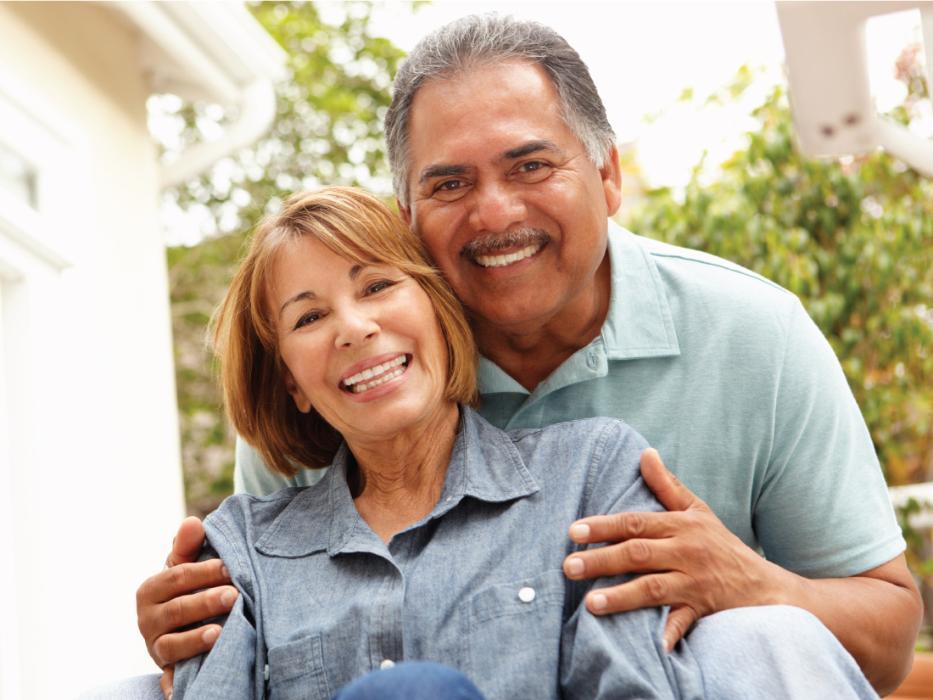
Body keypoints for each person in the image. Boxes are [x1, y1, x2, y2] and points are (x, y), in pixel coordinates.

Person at [136, 14, 921, 697]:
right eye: (449, 184)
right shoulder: (355, 381)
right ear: (408, 218)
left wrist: (752, 583)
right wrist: (191, 628)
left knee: (759, 633)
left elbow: (886, 637)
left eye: (531, 166)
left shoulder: (748, 334)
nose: (494, 212)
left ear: (607, 175)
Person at [165, 185, 870, 699]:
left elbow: (633, 686)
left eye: (377, 286)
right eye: (309, 317)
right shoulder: (241, 548)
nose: (353, 328)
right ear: (290, 381)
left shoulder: (592, 474)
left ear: (439, 311)